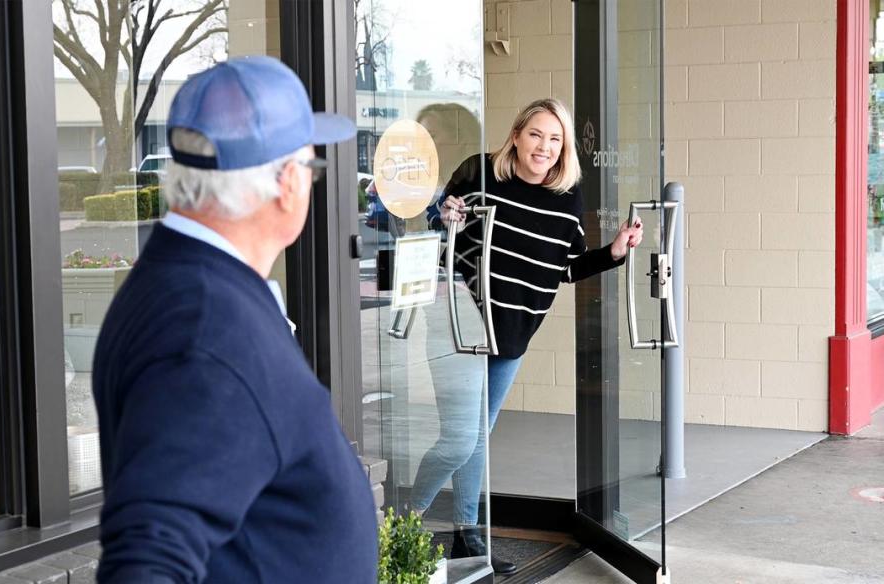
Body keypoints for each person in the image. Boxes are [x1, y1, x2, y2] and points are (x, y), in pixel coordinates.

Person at [92, 56, 378, 584]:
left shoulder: (186, 282)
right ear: (288, 182)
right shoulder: (204, 335)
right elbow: (146, 562)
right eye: (312, 166)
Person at [409, 98, 643, 574]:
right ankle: (398, 525)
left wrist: (615, 251)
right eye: (536, 134)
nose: (544, 146)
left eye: (555, 139)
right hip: (459, 324)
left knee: (477, 440)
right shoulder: (480, 173)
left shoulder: (567, 198)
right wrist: (444, 215)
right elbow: (431, 223)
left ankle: (467, 537)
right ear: (516, 135)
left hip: (512, 337)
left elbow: (569, 267)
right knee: (459, 440)